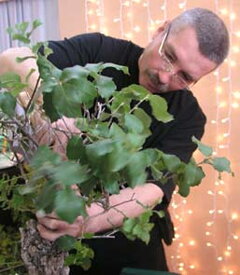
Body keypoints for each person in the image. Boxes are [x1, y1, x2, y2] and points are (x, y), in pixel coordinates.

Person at [0, 7, 229, 275]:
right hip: (48, 219)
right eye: (169, 57)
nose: (166, 77)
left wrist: (85, 219)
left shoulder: (188, 117)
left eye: (186, 77)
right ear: (160, 31)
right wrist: (57, 117)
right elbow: (11, 59)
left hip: (123, 239)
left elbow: (153, 190)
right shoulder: (100, 51)